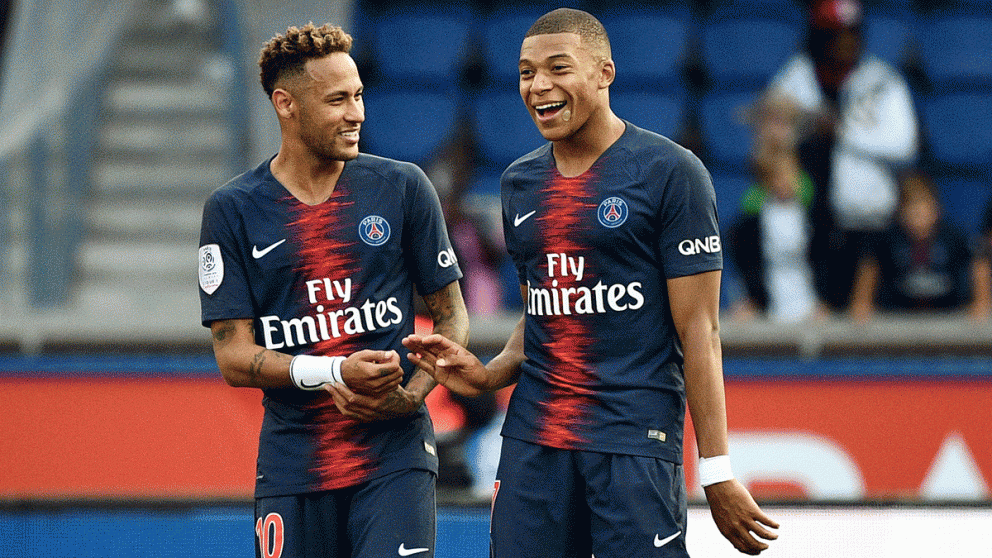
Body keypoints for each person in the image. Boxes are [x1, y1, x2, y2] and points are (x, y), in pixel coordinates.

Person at [404, 8, 778, 557]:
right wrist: (487, 375)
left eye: (559, 68)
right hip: (534, 441)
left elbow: (700, 330)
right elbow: (547, 309)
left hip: (633, 440)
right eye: (527, 72)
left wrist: (717, 470)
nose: (539, 86)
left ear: (605, 73)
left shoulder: (670, 173)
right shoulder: (521, 182)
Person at [197, 23, 468, 558]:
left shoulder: (403, 187)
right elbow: (232, 356)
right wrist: (334, 372)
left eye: (360, 95)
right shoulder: (233, 210)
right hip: (295, 463)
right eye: (338, 100)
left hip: (395, 456)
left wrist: (411, 396)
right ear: (286, 105)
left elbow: (452, 318)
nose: (357, 113)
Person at [765, 0, 918, 311]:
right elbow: (770, 135)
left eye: (851, 33)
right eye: (835, 34)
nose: (845, 43)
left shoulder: (881, 81)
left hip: (870, 222)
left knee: (867, 323)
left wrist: (842, 132)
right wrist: (805, 128)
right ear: (818, 35)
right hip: (812, 222)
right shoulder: (796, 78)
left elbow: (904, 145)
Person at [729, 92, 826, 322]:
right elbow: (745, 247)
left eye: (783, 123)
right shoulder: (754, 209)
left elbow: (820, 249)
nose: (775, 131)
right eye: (770, 122)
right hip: (769, 293)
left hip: (807, 296)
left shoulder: (811, 191)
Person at [848, 171, 979, 321]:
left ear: (936, 211)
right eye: (913, 214)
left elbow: (978, 262)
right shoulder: (887, 238)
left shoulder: (953, 237)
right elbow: (870, 265)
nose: (919, 220)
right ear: (901, 213)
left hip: (947, 312)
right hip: (897, 315)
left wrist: (982, 302)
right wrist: (862, 302)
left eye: (924, 213)